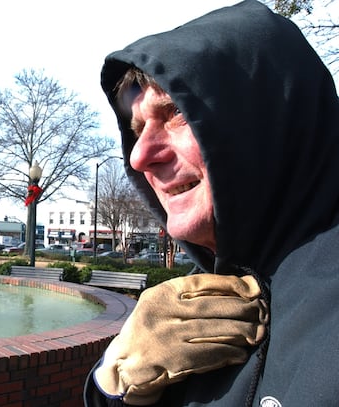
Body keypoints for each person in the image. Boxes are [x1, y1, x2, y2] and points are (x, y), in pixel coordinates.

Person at [85, 1, 339, 406]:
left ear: (267, 119)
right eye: (137, 130)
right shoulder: (194, 300)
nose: (138, 156)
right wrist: (112, 386)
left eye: (175, 113)